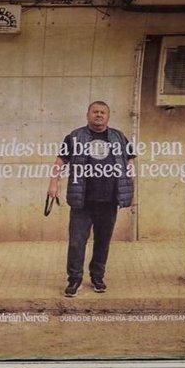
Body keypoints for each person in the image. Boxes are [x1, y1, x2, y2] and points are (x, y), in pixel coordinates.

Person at [47, 101, 135, 297]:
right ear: (88, 115)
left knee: (103, 242)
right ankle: (74, 279)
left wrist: (127, 184)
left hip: (109, 200)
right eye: (95, 111)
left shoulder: (119, 137)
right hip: (83, 202)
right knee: (77, 242)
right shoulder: (75, 136)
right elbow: (61, 160)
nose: (99, 115)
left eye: (103, 112)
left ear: (108, 116)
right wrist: (53, 183)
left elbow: (130, 158)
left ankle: (97, 277)